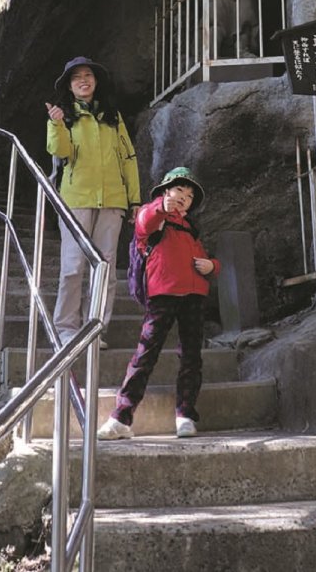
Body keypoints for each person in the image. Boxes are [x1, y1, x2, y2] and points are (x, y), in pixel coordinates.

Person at [97, 165, 220, 440]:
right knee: (145, 355)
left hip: (194, 296)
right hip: (163, 294)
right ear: (165, 190)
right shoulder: (151, 214)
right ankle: (121, 417)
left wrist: (212, 266)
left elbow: (207, 258)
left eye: (189, 195)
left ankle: (185, 415)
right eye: (179, 190)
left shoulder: (190, 227)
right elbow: (144, 224)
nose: (183, 197)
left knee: (191, 357)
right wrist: (163, 207)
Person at [46, 56, 140, 347]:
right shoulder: (65, 116)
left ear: (96, 82)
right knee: (73, 267)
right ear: (70, 86)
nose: (83, 81)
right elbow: (60, 152)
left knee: (106, 269)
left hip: (112, 200)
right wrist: (56, 125)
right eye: (77, 78)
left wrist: (135, 200)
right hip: (76, 200)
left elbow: (128, 158)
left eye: (88, 75)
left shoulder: (112, 116)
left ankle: (94, 329)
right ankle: (65, 330)